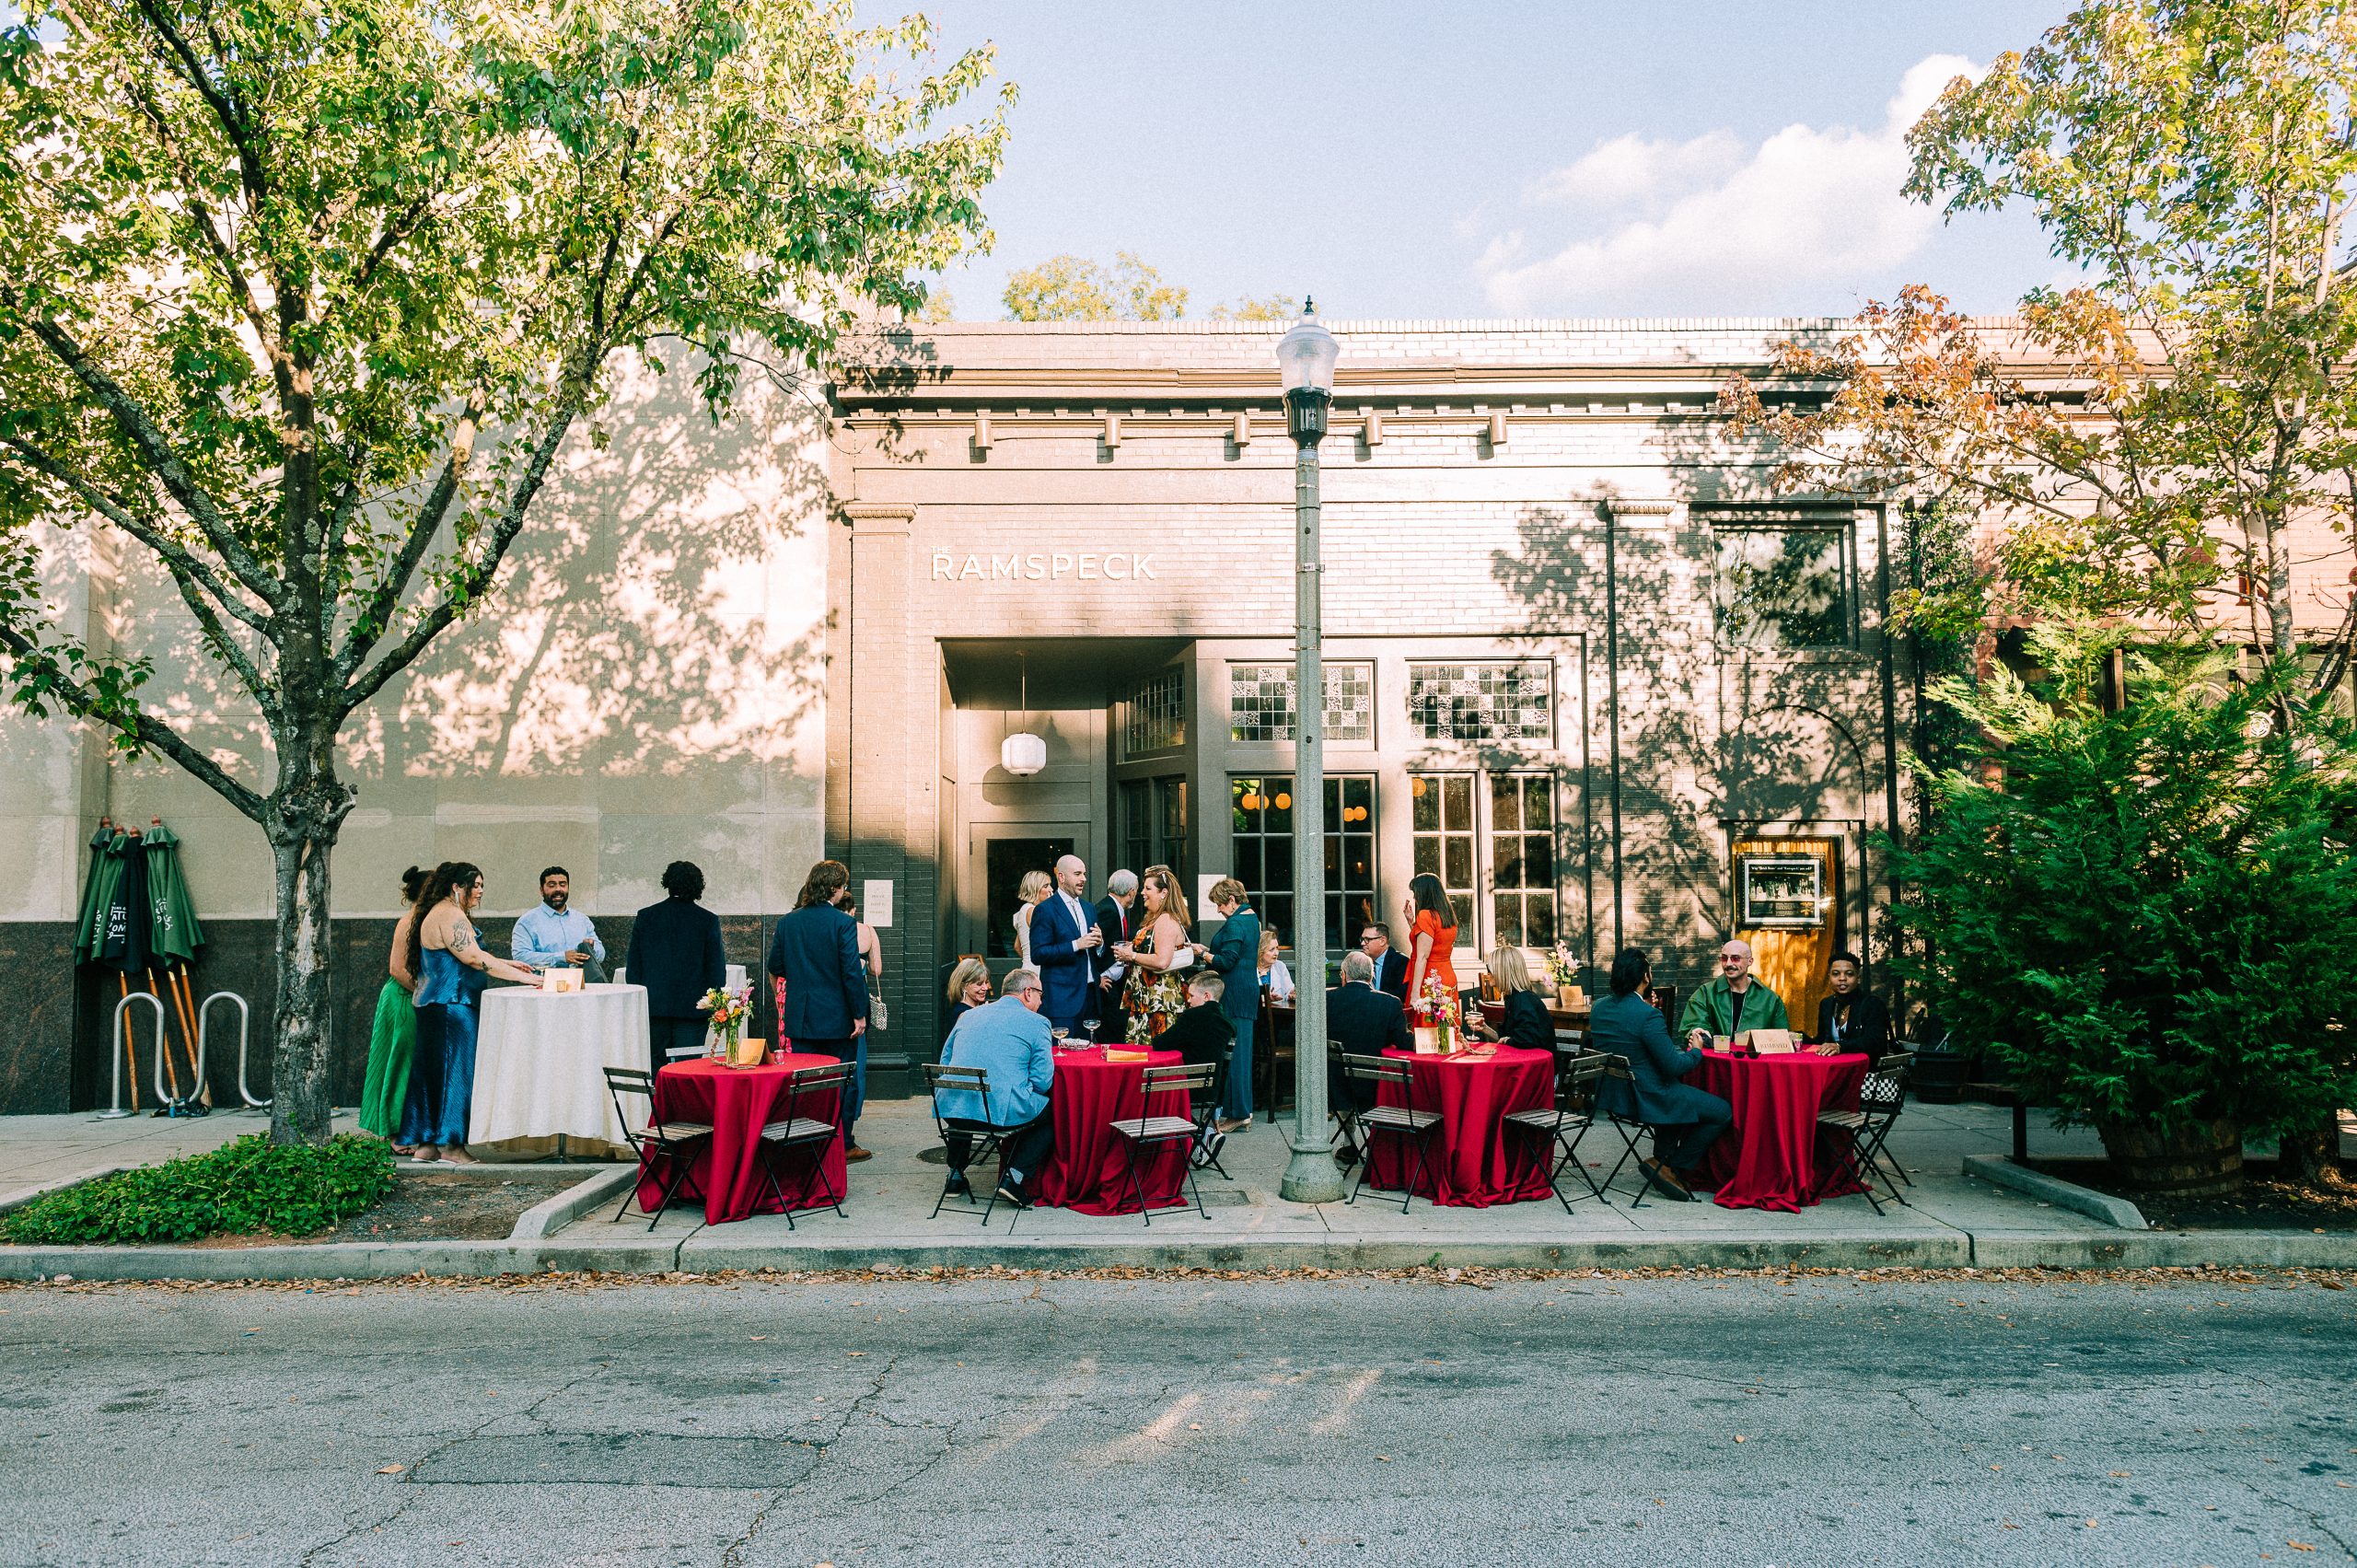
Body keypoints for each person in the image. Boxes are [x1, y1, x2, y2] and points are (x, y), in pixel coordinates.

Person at [401, 862, 537, 1164]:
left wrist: (509, 963)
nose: (480, 891)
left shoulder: (436, 912)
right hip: (454, 1006)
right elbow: (474, 958)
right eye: (476, 885)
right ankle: (452, 1147)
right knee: (457, 1073)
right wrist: (527, 979)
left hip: (433, 1005)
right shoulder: (450, 914)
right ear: (456, 887)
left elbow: (463, 954)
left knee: (431, 1075)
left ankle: (427, 1146)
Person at [1593, 947, 1732, 1202]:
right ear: (1645, 977)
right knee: (1722, 1111)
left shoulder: (1599, 1008)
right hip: (1649, 1097)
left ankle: (1663, 1161)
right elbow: (1674, 1066)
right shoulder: (1649, 1016)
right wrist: (1697, 1050)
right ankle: (1671, 1167)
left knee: (1679, 1099)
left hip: (1615, 1096)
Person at [768, 860, 874, 1161]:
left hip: (802, 1018)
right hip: (839, 1019)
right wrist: (859, 1013)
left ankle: (809, 1143)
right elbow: (851, 972)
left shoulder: (787, 923)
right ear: (835, 888)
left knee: (806, 1084)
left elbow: (776, 966)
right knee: (844, 1081)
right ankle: (843, 1144)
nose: (843, 891)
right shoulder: (842, 923)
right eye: (843, 886)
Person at [935, 968, 1057, 1206]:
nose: (1041, 1002)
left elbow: (945, 1063)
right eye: (1040, 995)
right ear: (1028, 992)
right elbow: (1043, 1081)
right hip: (999, 1116)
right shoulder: (1038, 1022)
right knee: (1051, 1114)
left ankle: (955, 1174)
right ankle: (1014, 1178)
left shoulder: (968, 1016)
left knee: (966, 1096)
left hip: (952, 1111)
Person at [625, 861, 726, 1068]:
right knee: (687, 1069)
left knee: (657, 1067)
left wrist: (642, 999)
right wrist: (712, 1004)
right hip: (693, 1009)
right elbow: (716, 970)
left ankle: (657, 1092)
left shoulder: (646, 916)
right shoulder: (707, 920)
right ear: (698, 886)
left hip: (654, 1007)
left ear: (668, 883)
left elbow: (633, 968)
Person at [358, 865, 429, 1147]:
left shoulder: (427, 921)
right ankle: (394, 1132)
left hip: (414, 997)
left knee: (410, 1063)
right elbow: (397, 968)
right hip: (402, 998)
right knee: (398, 1062)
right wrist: (425, 993)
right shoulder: (409, 923)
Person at [1326, 950, 1412, 1160]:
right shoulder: (1390, 1003)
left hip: (1337, 1086)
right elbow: (1404, 1043)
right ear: (1371, 976)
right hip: (1376, 1086)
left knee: (1341, 1075)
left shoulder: (1327, 999)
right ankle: (1378, 1147)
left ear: (1343, 975)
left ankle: (1349, 1144)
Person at [1197, 879, 1261, 1131]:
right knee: (1240, 1053)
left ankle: (1240, 1113)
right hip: (1245, 992)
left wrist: (1202, 953)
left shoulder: (1235, 922)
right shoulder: (1251, 918)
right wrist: (1208, 951)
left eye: (1220, 904)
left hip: (1234, 993)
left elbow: (1226, 961)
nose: (1218, 909)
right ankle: (1239, 1110)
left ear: (1232, 901)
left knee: (1236, 1055)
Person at [1111, 865, 1192, 1043]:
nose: (1142, 892)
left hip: (1158, 1000)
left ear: (1164, 893)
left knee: (1154, 1051)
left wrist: (1131, 956)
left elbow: (1162, 961)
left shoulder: (1165, 919)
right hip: (1147, 998)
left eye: (1148, 888)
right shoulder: (1156, 918)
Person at [1026, 854, 1104, 1038]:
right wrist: (1076, 945)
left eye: (1084, 874)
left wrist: (1100, 944)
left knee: (1089, 1052)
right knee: (1063, 1053)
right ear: (1061, 877)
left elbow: (1093, 953)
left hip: (1091, 998)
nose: (1083, 879)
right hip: (1062, 1001)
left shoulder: (1089, 908)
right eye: (1077, 874)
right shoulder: (1045, 910)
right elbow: (1038, 954)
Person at [1680, 937, 1792, 1049]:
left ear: (1750, 961)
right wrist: (1700, 1032)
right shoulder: (1705, 993)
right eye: (1724, 958)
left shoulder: (1770, 999)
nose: (1728, 963)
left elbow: (1781, 1037)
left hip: (1755, 1059)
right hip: (1716, 1057)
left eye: (1735, 958)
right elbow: (1694, 1025)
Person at [509, 865, 605, 973]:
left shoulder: (582, 920)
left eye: (563, 884)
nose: (558, 889)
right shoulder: (527, 921)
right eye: (552, 885)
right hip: (543, 983)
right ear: (541, 890)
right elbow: (520, 957)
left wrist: (591, 949)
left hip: (581, 982)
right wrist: (561, 957)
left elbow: (601, 955)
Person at [1469, 947, 1551, 1051]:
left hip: (1536, 1061)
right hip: (1523, 1058)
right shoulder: (1514, 997)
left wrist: (1507, 1041)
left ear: (1503, 971)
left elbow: (1527, 1039)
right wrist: (1484, 1028)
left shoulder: (1524, 1000)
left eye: (1490, 969)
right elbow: (1506, 1038)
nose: (1488, 973)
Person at [1092, 868, 1141, 1042]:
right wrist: (1096, 978)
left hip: (1115, 984)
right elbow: (1091, 946)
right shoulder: (1108, 911)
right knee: (1111, 1036)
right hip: (1106, 986)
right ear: (1131, 892)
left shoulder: (1112, 908)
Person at [1812, 950, 1892, 1056]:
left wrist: (1840, 1046)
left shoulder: (1872, 1004)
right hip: (1834, 1064)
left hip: (1865, 1065)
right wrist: (1798, 1037)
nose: (1842, 978)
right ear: (1829, 977)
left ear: (1858, 978)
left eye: (1849, 974)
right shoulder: (1826, 1004)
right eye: (1836, 974)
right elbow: (1821, 1040)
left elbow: (1875, 1041)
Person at [1401, 874, 1459, 1013]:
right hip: (1445, 974)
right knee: (1445, 1022)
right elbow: (1434, 942)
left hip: (1429, 977)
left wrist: (1415, 994)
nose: (1414, 897)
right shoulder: (1447, 915)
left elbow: (1422, 956)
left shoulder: (1425, 915)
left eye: (1416, 893)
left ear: (1424, 893)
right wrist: (1412, 922)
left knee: (1426, 1023)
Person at [942, 957, 992, 1052]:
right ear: (964, 986)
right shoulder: (963, 1014)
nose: (985, 988)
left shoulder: (976, 1009)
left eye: (986, 983)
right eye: (979, 984)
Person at [1010, 868, 1052, 967]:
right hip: (1038, 969)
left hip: (1030, 967)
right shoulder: (1034, 911)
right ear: (1035, 889)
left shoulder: (1025, 909)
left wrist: (1029, 962)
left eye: (1050, 885)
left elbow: (1017, 946)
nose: (1051, 889)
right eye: (1046, 886)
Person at [1359, 923, 1410, 1000]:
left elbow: (1401, 994)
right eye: (1362, 939)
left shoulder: (1400, 962)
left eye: (1367, 939)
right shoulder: (1359, 960)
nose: (1362, 943)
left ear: (1382, 941)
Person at [1255, 929, 1295, 1004]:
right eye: (1271, 950)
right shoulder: (1250, 969)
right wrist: (1265, 998)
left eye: (1277, 948)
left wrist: (1291, 995)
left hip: (1278, 1010)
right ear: (1260, 952)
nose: (1276, 953)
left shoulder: (1280, 966)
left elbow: (1289, 991)